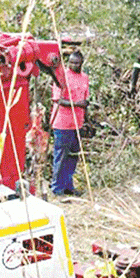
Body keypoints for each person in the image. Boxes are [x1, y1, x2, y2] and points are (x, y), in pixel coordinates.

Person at [50, 50, 89, 196]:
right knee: (61, 156)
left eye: (77, 63)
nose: (74, 65)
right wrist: (77, 104)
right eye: (71, 62)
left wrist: (86, 117)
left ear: (81, 63)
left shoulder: (85, 78)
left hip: (77, 123)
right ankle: (57, 188)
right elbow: (58, 100)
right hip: (62, 123)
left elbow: (85, 98)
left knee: (73, 156)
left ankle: (68, 186)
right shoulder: (61, 77)